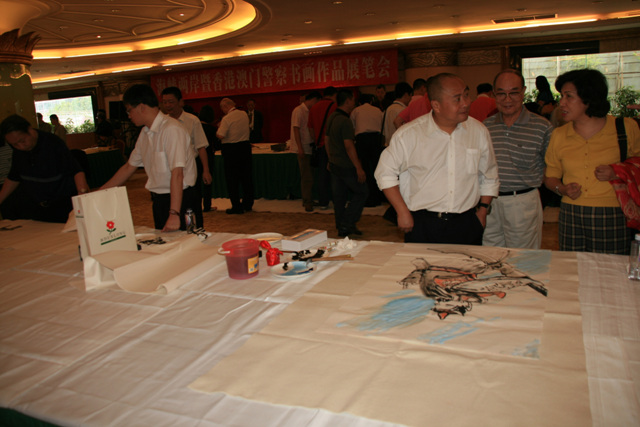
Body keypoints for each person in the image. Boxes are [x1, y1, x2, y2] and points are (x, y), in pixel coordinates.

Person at [375, 73, 500, 245]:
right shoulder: (409, 134)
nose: (466, 103)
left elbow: (489, 174)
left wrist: (483, 210)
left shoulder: (478, 131)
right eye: (457, 99)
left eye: (466, 95)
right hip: (423, 223)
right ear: (436, 105)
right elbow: (385, 174)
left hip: (467, 221)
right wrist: (402, 211)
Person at [544, 68, 640, 254]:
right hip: (571, 212)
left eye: (569, 96)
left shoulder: (624, 128)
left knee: (609, 268)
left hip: (612, 212)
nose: (561, 103)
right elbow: (550, 177)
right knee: (572, 267)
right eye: (561, 96)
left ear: (588, 98)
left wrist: (617, 171)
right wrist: (562, 189)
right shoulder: (559, 135)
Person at [101, 84, 197, 232]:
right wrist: (99, 192)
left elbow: (177, 173)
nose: (129, 116)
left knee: (189, 242)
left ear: (141, 107)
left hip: (181, 201)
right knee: (164, 242)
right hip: (160, 200)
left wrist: (174, 213)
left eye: (129, 110)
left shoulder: (172, 129)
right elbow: (128, 167)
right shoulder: (145, 133)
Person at [482, 69, 553, 249]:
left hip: (522, 201)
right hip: (490, 202)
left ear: (523, 92)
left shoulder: (542, 126)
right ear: (494, 94)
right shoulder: (485, 127)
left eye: (513, 93)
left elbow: (550, 166)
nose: (507, 99)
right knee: (489, 253)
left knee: (522, 257)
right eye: (501, 94)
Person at [0, 114, 89, 223]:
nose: (20, 146)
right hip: (37, 208)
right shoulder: (19, 152)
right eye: (15, 145)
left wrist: (83, 198)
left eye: (22, 141)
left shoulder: (53, 143)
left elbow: (76, 170)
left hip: (62, 206)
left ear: (30, 129)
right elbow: (14, 177)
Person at [161, 86, 211, 228]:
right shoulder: (162, 122)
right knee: (174, 201)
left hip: (190, 167)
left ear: (181, 102)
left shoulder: (192, 120)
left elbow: (201, 147)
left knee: (192, 204)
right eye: (164, 102)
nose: (168, 105)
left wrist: (206, 170)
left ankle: (195, 230)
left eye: (171, 101)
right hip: (170, 168)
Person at [326, 89, 368, 237]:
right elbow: (349, 145)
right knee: (362, 192)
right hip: (345, 165)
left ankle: (342, 226)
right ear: (348, 101)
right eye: (353, 100)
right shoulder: (345, 121)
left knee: (339, 198)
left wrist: (330, 158)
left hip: (335, 164)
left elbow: (326, 140)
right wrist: (359, 168)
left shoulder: (332, 117)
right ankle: (347, 222)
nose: (354, 103)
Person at [217, 97, 254, 214]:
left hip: (231, 150)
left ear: (225, 106)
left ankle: (236, 206)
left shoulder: (226, 118)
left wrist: (219, 127)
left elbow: (221, 135)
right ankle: (248, 204)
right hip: (245, 147)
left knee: (232, 180)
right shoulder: (244, 114)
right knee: (246, 178)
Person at [290, 91, 322, 212]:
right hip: (302, 147)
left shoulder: (310, 111)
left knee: (311, 176)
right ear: (314, 99)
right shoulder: (298, 110)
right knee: (307, 177)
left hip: (310, 147)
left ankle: (309, 199)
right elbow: (296, 129)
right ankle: (307, 201)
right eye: (317, 102)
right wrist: (300, 148)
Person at [350, 93, 383, 207]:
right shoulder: (378, 110)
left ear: (359, 102)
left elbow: (353, 127)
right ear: (371, 101)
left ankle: (367, 198)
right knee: (376, 168)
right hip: (376, 139)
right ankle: (378, 197)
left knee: (364, 169)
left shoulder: (356, 111)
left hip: (362, 140)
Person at [308, 86, 338, 209]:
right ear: (334, 95)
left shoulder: (313, 108)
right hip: (333, 145)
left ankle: (323, 202)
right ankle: (337, 201)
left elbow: (310, 128)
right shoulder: (335, 107)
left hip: (320, 145)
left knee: (322, 175)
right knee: (335, 174)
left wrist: (316, 140)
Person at [199, 105, 220, 213]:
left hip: (196, 157)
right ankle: (207, 206)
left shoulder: (196, 127)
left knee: (196, 182)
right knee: (207, 182)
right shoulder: (212, 129)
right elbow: (217, 146)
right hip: (208, 156)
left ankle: (197, 205)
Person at [382, 82, 413, 147]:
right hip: (400, 145)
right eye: (410, 96)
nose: (411, 99)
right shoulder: (403, 110)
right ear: (406, 95)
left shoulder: (388, 108)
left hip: (389, 145)